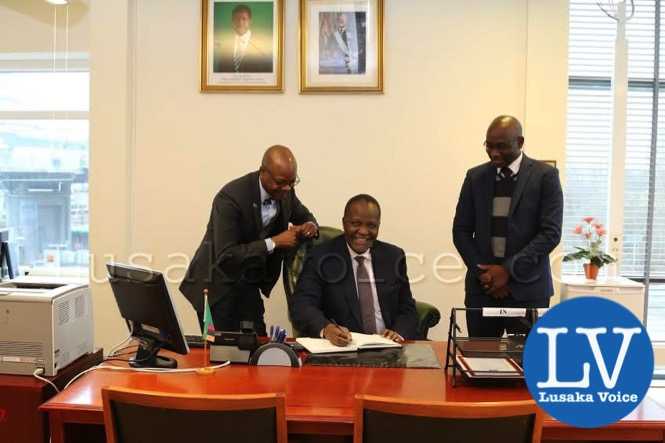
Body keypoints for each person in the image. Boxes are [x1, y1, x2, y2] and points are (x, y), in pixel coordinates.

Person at [180, 145, 318, 336]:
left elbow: (305, 216)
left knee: (257, 347)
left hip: (248, 285)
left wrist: (310, 226)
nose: (287, 188)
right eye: (281, 182)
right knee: (221, 354)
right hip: (215, 288)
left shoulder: (286, 192)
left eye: (292, 182)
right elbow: (227, 254)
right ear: (263, 173)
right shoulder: (230, 198)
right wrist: (275, 242)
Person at [452, 115, 563, 337]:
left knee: (528, 366)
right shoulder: (475, 177)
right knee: (480, 362)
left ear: (520, 142)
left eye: (501, 147)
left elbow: (550, 233)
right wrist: (484, 274)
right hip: (482, 290)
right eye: (489, 146)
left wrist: (507, 271)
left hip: (529, 290)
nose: (494, 153)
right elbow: (461, 231)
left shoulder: (545, 176)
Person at [289, 194, 417, 346]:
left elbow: (407, 308)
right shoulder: (321, 257)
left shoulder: (393, 256)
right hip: (344, 348)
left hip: (389, 348)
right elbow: (302, 305)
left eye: (371, 225)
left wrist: (399, 333)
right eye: (356, 223)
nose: (363, 231)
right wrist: (326, 329)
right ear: (344, 223)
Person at [214, 4, 273, 73]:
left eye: (244, 19)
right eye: (237, 19)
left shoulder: (262, 44)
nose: (240, 22)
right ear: (232, 21)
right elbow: (221, 72)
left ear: (250, 21)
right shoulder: (225, 45)